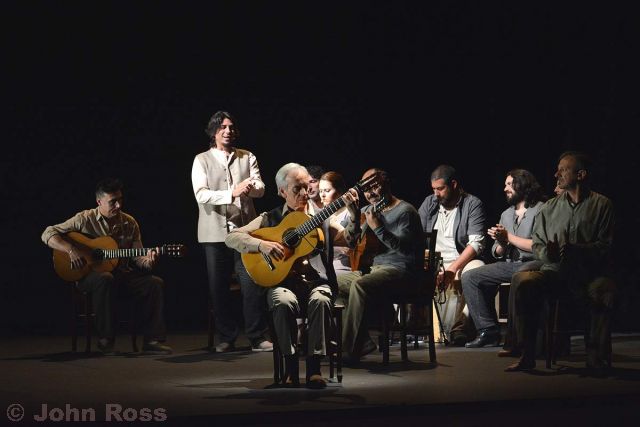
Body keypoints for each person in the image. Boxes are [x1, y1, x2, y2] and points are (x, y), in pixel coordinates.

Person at [225, 163, 337, 388]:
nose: (305, 193)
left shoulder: (320, 216)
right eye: (297, 189)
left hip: (315, 282)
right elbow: (232, 237)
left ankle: (314, 369)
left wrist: (353, 212)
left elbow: (351, 238)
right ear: (282, 192)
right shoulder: (270, 218)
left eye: (307, 186)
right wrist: (262, 245)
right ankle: (290, 367)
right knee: (281, 300)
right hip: (283, 283)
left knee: (321, 299)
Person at [506, 151, 616, 373]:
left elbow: (607, 246)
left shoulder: (602, 205)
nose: (556, 174)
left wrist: (579, 251)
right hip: (555, 273)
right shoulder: (549, 208)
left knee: (604, 289)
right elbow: (537, 244)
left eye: (563, 170)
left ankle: (596, 359)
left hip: (588, 275)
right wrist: (550, 254)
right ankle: (527, 354)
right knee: (526, 283)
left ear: (581, 175)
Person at [41, 178, 172, 355]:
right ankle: (106, 339)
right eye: (113, 202)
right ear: (99, 202)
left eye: (120, 200)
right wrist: (71, 250)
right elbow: (48, 233)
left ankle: (152, 340)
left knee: (154, 283)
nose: (118, 205)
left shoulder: (129, 223)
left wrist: (148, 261)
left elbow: (138, 257)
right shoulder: (84, 219)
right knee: (105, 278)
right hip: (90, 277)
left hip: (122, 275)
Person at [191, 111, 272, 353]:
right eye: (222, 127)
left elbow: (260, 188)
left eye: (231, 127)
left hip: (244, 233)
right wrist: (231, 193)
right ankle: (227, 337)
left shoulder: (247, 156)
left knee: (252, 283)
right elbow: (201, 194)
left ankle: (257, 337)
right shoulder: (201, 160)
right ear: (214, 131)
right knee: (219, 288)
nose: (228, 131)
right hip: (214, 234)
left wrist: (250, 187)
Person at [338, 168, 425, 363]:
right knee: (333, 282)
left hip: (402, 271)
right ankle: (363, 342)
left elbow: (405, 250)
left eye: (374, 186)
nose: (370, 193)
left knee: (360, 285)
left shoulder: (405, 211)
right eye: (366, 190)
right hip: (375, 270)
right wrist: (354, 216)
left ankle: (350, 350)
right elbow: (351, 242)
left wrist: (378, 228)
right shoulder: (366, 211)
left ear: (386, 184)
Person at [461, 169, 545, 348]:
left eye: (509, 184)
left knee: (520, 274)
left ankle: (521, 337)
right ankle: (488, 331)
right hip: (510, 264)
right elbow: (497, 252)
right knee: (470, 276)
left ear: (522, 184)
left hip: (533, 263)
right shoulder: (506, 214)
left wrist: (509, 237)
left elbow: (538, 246)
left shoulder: (541, 209)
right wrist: (501, 243)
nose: (505, 189)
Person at [418, 165, 487, 346]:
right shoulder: (429, 203)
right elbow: (417, 237)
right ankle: (417, 325)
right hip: (434, 261)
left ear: (454, 184)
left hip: (460, 261)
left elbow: (477, 243)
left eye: (440, 189)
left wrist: (452, 268)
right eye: (433, 189)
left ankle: (459, 329)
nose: (436, 194)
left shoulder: (472, 204)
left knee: (476, 269)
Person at [309, 171, 351, 278]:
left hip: (340, 267)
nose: (322, 195)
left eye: (327, 191)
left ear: (340, 191)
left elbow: (351, 246)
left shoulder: (349, 214)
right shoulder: (320, 216)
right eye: (321, 191)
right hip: (318, 268)